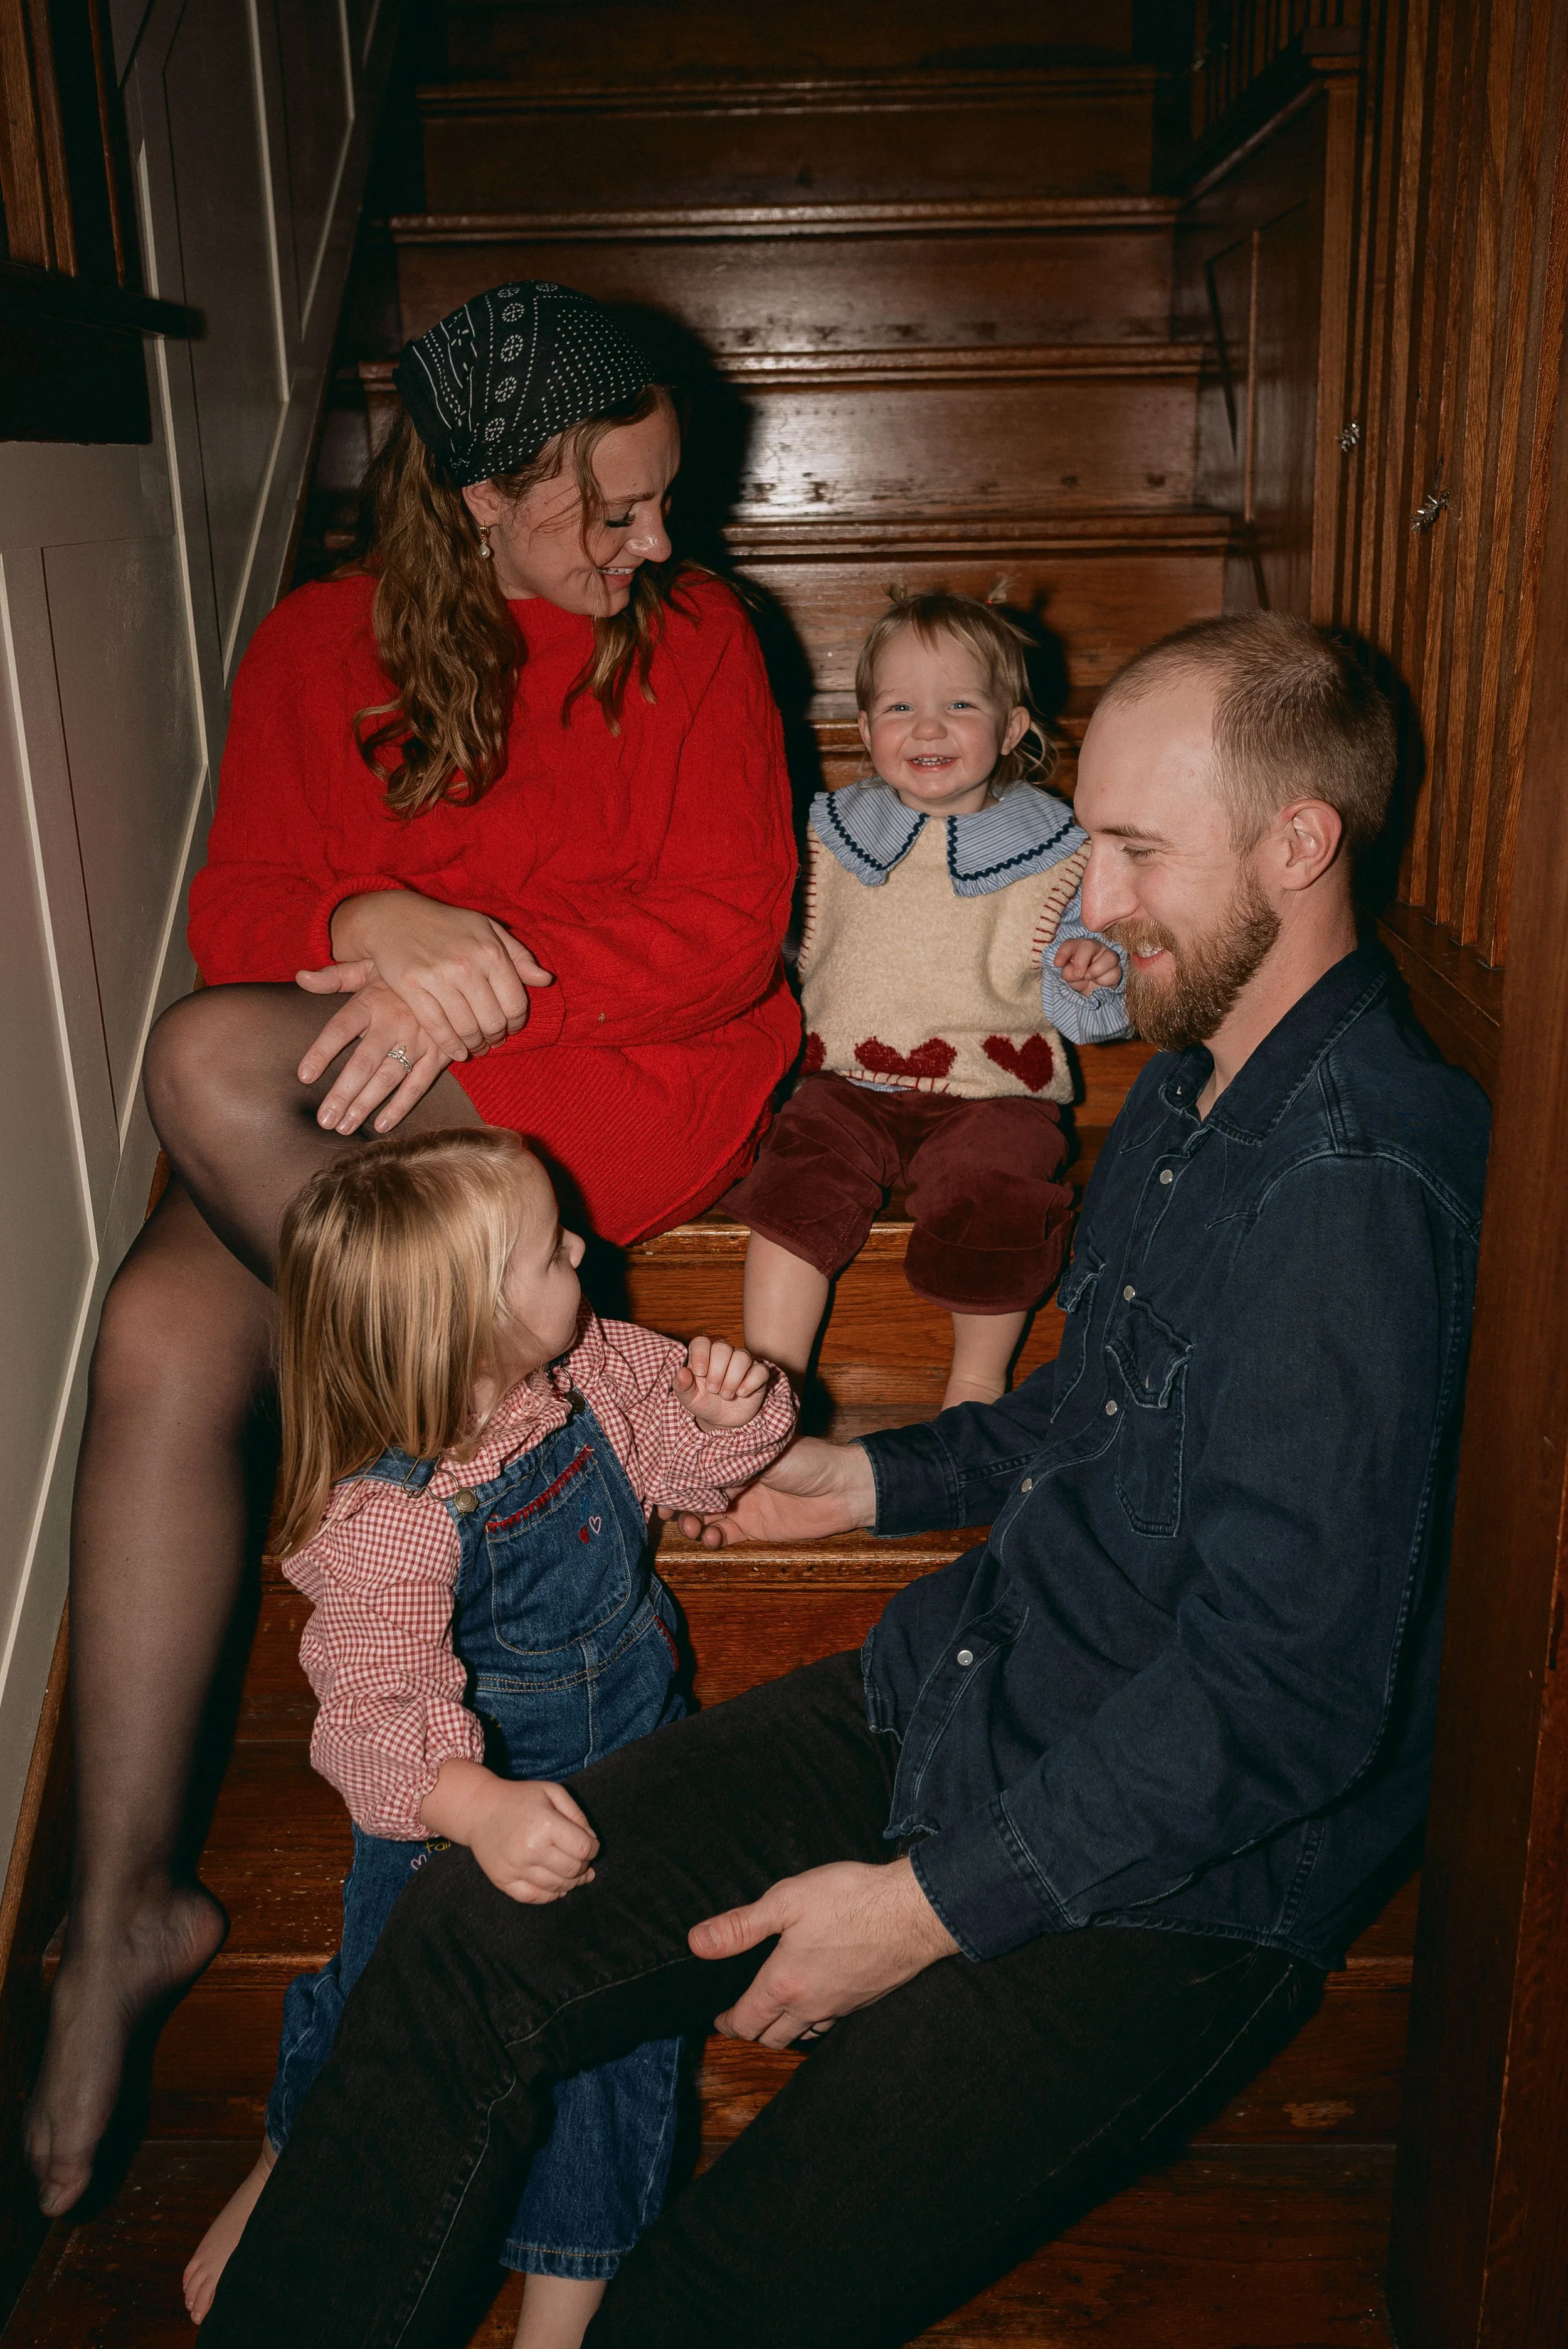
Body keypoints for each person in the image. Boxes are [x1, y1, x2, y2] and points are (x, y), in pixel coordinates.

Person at [201, 613, 1491, 2349]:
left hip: (1161, 1882)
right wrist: (859, 1481)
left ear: (1297, 843)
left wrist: (926, 1912)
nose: (1085, 904)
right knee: (464, 1934)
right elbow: (1086, 1428)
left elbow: (1287, 1701)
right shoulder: (1195, 1088)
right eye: (1084, 835)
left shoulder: (1358, 1185)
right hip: (968, 1687)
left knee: (694, 2313)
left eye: (1129, 852)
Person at [24, 281, 800, 2219]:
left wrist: (476, 989)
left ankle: (485, 1420)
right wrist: (370, 905)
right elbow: (248, 909)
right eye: (600, 512)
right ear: (467, 498)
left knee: (211, 1069)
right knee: (156, 1338)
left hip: (616, 1085)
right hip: (382, 1097)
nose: (649, 544)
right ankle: (121, 1906)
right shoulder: (313, 644)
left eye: (657, 502)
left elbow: (725, 930)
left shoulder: (699, 640)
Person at [183, 1128, 793, 2343]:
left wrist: (717, 1416)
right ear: (462, 1326)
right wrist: (469, 1805)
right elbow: (369, 1704)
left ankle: (562, 2311)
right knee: (379, 2011)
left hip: (625, 1777)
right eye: (545, 1249)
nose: (585, 1246)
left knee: (619, 2047)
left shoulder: (596, 1364)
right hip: (454, 1813)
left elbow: (683, 1477)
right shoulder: (392, 1521)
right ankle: (294, 2168)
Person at [726, 591, 1128, 1409]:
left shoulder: (1054, 851)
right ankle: (769, 1383)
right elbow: (772, 936)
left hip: (993, 1093)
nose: (929, 728)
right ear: (867, 729)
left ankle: (973, 1391)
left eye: (960, 706)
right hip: (843, 1085)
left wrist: (1095, 970)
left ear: (1013, 728)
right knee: (793, 1186)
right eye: (900, 707)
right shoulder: (829, 833)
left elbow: (1092, 980)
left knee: (1005, 1193)